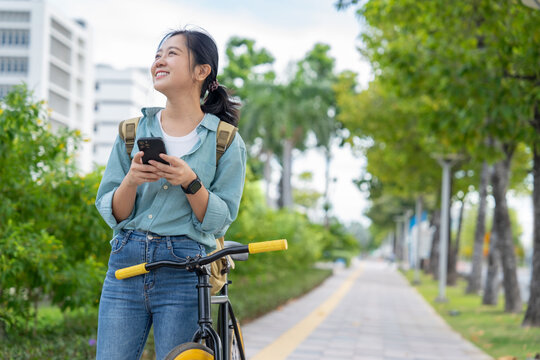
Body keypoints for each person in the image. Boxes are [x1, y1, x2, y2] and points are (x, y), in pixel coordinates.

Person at [95, 28, 246, 360]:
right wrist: (131, 180)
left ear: (201, 71)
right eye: (157, 54)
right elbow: (114, 213)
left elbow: (219, 221)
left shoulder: (224, 140)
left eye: (172, 53)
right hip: (126, 264)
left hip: (186, 270)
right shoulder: (132, 131)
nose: (159, 60)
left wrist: (191, 182)